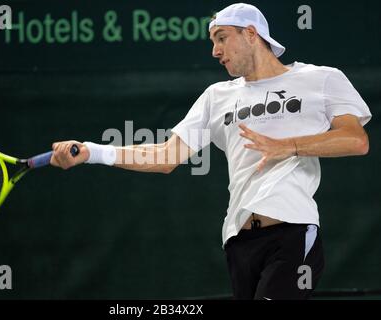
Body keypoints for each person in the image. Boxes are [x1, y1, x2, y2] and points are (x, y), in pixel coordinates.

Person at [50, 3, 371, 300]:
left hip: (292, 233)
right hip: (238, 242)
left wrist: (286, 147)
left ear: (250, 34)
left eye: (221, 38)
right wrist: (92, 152)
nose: (215, 51)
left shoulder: (321, 79)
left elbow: (356, 140)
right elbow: (165, 157)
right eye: (212, 42)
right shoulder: (216, 96)